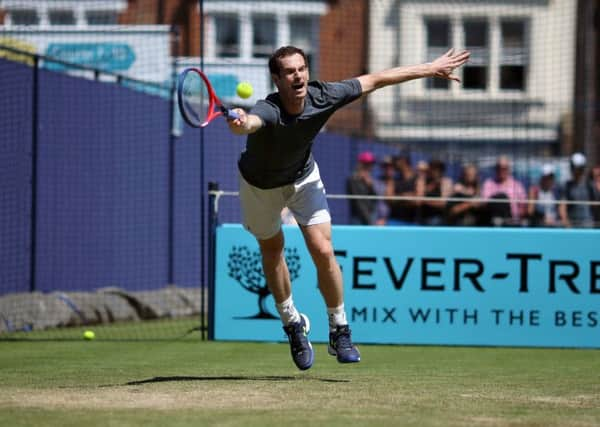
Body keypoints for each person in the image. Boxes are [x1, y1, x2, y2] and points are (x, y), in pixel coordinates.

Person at [227, 45, 470, 370]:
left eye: (301, 68)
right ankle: (292, 324)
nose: (297, 75)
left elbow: (377, 79)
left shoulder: (325, 95)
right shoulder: (268, 109)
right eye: (289, 71)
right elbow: (252, 122)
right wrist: (242, 123)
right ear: (277, 79)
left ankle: (339, 330)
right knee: (272, 252)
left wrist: (430, 68)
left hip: (302, 178)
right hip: (260, 186)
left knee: (323, 249)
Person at [481, 156, 527, 226]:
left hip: (512, 222)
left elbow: (523, 206)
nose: (501, 171)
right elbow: (485, 203)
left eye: (504, 168)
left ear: (509, 169)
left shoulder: (517, 185)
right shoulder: (488, 183)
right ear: (496, 169)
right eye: (499, 168)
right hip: (492, 221)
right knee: (501, 198)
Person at [559, 152, 595, 228]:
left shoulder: (590, 185)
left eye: (580, 169)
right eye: (575, 168)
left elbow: (595, 205)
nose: (577, 172)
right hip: (573, 227)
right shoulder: (566, 186)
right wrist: (567, 225)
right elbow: (562, 207)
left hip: (588, 226)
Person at [415, 159, 453, 225]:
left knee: (435, 221)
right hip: (423, 216)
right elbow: (418, 201)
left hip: (439, 217)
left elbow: (443, 204)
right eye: (433, 169)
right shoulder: (422, 181)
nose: (435, 172)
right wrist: (431, 186)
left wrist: (425, 201)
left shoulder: (447, 182)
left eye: (438, 169)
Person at [386, 151, 419, 225]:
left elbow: (418, 201)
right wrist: (407, 196)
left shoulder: (418, 178)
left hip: (412, 222)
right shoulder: (393, 179)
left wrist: (397, 197)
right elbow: (389, 198)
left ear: (403, 161)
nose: (394, 163)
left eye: (396, 160)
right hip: (394, 220)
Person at [346, 151, 378, 225]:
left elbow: (375, 198)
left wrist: (370, 186)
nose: (370, 166)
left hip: (370, 217)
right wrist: (368, 220)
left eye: (371, 164)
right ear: (360, 164)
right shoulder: (352, 180)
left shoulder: (370, 180)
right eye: (367, 164)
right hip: (359, 218)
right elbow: (358, 202)